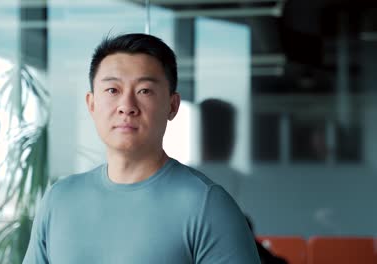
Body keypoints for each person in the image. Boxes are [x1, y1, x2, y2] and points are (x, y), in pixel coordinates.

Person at [22, 33, 260, 264]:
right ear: (92, 104)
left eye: (144, 91)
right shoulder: (59, 200)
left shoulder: (207, 206)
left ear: (172, 105)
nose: (127, 106)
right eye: (112, 90)